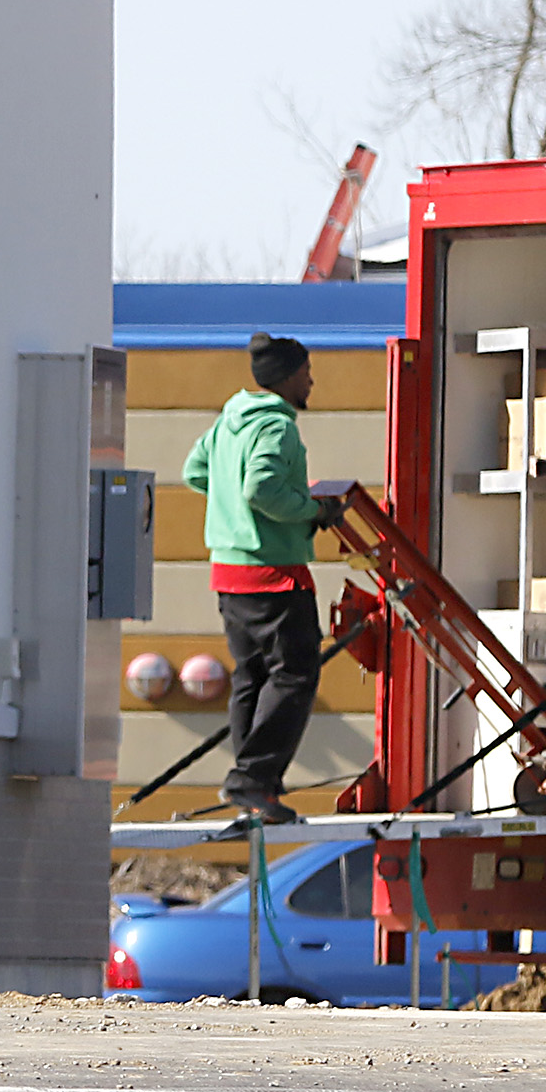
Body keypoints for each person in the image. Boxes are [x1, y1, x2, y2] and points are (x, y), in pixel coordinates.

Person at [180, 332, 342, 823]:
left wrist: (233, 512)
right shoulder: (277, 427)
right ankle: (253, 779)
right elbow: (263, 488)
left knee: (251, 676)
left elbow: (195, 472)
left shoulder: (230, 420)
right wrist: (312, 510)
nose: (311, 380)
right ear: (288, 377)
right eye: (306, 371)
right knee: (295, 673)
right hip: (271, 573)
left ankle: (255, 782)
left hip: (229, 573)